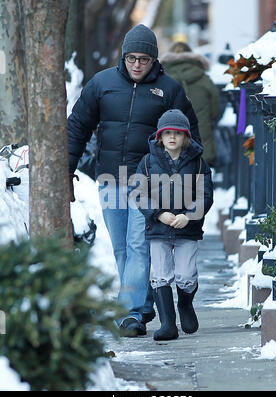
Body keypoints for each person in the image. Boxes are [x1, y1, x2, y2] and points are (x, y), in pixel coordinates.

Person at [68, 24, 202, 337]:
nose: (137, 64)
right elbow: (76, 128)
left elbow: (191, 136)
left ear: (154, 60)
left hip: (149, 184)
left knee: (139, 245)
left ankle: (128, 313)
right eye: (132, 58)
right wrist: (67, 171)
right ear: (123, 57)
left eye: (144, 59)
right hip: (109, 178)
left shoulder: (169, 90)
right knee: (120, 249)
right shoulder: (102, 83)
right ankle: (142, 306)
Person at [135, 109, 213, 340]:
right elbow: (139, 192)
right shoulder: (148, 162)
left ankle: (186, 304)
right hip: (158, 229)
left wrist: (189, 215)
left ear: (186, 137)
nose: (172, 137)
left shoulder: (198, 163)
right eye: (167, 133)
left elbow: (205, 194)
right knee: (161, 274)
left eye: (177, 133)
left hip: (187, 229)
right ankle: (168, 324)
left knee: (186, 275)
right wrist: (158, 214)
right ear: (159, 136)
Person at [161, 42, 220, 166]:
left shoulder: (161, 80)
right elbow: (216, 109)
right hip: (200, 139)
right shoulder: (203, 78)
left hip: (169, 140)